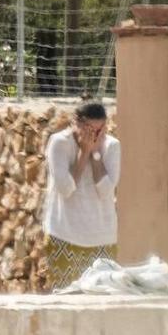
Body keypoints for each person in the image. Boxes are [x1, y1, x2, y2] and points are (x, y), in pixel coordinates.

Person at [43, 102, 121, 290]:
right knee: (64, 298)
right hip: (64, 235)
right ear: (75, 123)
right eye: (88, 129)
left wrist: (95, 154)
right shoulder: (59, 143)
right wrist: (83, 153)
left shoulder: (111, 146)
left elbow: (105, 191)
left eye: (98, 130)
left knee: (101, 300)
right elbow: (66, 189)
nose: (93, 136)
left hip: (101, 237)